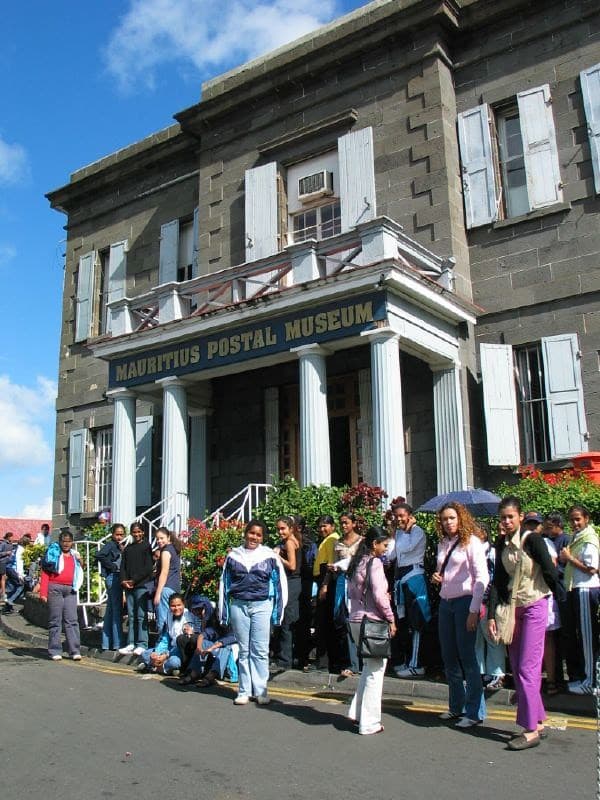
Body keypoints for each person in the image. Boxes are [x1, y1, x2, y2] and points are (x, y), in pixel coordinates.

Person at [488, 496, 559, 750]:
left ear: (519, 517)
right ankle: (538, 720)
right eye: (503, 517)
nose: (506, 522)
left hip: (535, 606)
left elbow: (551, 574)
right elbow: (497, 581)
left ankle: (530, 730)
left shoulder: (533, 541)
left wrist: (561, 601)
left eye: (510, 517)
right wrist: (491, 617)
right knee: (518, 667)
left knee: (528, 669)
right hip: (512, 609)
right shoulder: (501, 543)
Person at [432, 501, 488, 729]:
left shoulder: (472, 542)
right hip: (446, 602)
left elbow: (482, 578)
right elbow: (447, 572)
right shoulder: (443, 543)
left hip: (465, 602)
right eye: (445, 519)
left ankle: (474, 712)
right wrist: (438, 579)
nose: (448, 522)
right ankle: (457, 706)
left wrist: (474, 610)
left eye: (452, 518)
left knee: (467, 657)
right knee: (449, 656)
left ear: (460, 518)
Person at [219, 519, 287, 705]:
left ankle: (261, 691)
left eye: (258, 535)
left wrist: (277, 613)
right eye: (251, 533)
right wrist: (223, 613)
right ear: (245, 533)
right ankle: (244, 691)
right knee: (244, 650)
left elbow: (280, 585)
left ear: (262, 537)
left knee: (260, 650)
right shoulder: (233, 556)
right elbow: (224, 585)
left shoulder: (270, 556)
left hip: (262, 606)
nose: (254, 537)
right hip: (238, 606)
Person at [346, 525, 396, 735]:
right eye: (384, 545)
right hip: (372, 622)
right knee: (375, 672)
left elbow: (351, 593)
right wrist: (391, 618)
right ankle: (369, 722)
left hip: (356, 620)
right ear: (375, 544)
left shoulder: (357, 562)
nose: (386, 549)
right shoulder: (375, 563)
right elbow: (379, 595)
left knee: (367, 669)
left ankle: (358, 714)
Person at [386, 502, 429, 678]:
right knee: (404, 623)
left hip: (414, 577)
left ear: (410, 516)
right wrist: (393, 535)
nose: (399, 519)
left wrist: (400, 535)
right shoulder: (399, 533)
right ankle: (406, 660)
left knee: (416, 623)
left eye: (402, 515)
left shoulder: (417, 531)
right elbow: (390, 556)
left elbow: (405, 548)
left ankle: (417, 664)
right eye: (396, 516)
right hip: (401, 580)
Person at [559, 504, 599, 695]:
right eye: (572, 519)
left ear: (586, 519)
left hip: (586, 589)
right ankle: (587, 678)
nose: (575, 523)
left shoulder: (589, 539)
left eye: (578, 519)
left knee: (587, 638)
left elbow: (592, 568)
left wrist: (569, 558)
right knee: (583, 637)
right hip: (577, 589)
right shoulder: (578, 538)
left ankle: (591, 682)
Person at [39, 530, 83, 661]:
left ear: (72, 543)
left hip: (70, 590)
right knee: (55, 620)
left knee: (72, 620)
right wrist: (43, 592)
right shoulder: (53, 555)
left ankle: (74, 650)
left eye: (69, 541)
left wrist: (81, 561)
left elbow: (79, 571)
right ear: (59, 542)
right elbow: (45, 573)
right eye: (64, 541)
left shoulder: (75, 556)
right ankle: (54, 650)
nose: (66, 544)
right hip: (55, 588)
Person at [330, 511, 363, 677]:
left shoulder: (362, 541)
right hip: (342, 581)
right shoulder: (338, 543)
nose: (344, 526)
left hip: (357, 581)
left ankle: (358, 663)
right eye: (341, 523)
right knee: (343, 620)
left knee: (356, 620)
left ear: (354, 524)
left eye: (346, 523)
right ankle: (349, 662)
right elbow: (335, 561)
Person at [178, 594, 237, 686]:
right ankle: (194, 673)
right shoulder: (210, 618)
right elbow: (203, 635)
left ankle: (212, 675)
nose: (198, 612)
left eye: (200, 609)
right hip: (216, 643)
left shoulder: (230, 618)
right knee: (203, 642)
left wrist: (213, 647)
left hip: (231, 644)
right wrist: (199, 648)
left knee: (224, 648)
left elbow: (232, 637)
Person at [136, 593, 194, 676]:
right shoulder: (169, 614)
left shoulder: (188, 617)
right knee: (145, 654)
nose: (176, 608)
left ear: (183, 604)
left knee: (174, 662)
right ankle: (163, 667)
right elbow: (165, 638)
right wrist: (157, 653)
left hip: (179, 651)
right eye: (173, 606)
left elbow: (183, 645)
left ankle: (155, 667)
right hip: (169, 648)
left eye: (179, 605)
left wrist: (166, 655)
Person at [119, 523, 154, 656]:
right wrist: (124, 581)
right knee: (131, 615)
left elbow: (148, 568)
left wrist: (135, 580)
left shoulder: (146, 546)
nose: (137, 534)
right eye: (134, 532)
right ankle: (131, 643)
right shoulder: (128, 548)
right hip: (129, 586)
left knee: (140, 615)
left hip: (141, 585)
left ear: (143, 532)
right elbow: (123, 566)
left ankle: (142, 643)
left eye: (139, 531)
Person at [271, 515, 302, 670]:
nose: (280, 532)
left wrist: (277, 556)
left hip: (291, 582)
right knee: (287, 619)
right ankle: (287, 657)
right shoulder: (290, 541)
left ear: (291, 528)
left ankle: (285, 660)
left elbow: (292, 565)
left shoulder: (290, 542)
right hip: (291, 583)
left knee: (286, 621)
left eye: (283, 528)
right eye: (278, 529)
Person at [312, 515, 340, 672]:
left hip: (326, 581)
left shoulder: (332, 540)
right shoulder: (327, 540)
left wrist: (324, 585)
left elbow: (330, 566)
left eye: (325, 526)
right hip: (323, 580)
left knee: (325, 623)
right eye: (320, 526)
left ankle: (325, 663)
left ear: (332, 526)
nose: (322, 529)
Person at [95, 523, 126, 651]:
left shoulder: (119, 546)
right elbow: (99, 555)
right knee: (116, 611)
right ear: (112, 534)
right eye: (117, 534)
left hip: (115, 577)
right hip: (113, 577)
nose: (119, 537)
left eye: (121, 534)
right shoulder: (110, 545)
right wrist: (111, 566)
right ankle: (117, 643)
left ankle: (107, 643)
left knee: (110, 611)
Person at [153, 527, 182, 633]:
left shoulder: (165, 551)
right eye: (157, 539)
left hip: (166, 589)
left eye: (162, 538)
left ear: (168, 537)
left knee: (163, 620)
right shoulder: (174, 549)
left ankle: (162, 644)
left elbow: (164, 572)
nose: (159, 541)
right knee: (171, 621)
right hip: (174, 588)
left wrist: (158, 593)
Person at [3, 534, 32, 613]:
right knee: (21, 585)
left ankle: (8, 608)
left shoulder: (15, 547)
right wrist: (21, 575)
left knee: (12, 586)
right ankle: (10, 600)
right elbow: (19, 563)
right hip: (13, 569)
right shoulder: (21, 550)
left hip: (8, 568)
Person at [0, 532, 15, 601]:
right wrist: (6, 553)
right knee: (3, 578)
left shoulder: (11, 544)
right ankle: (3, 593)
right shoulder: (3, 544)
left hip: (8, 563)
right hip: (2, 562)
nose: (12, 538)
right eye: (11, 537)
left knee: (5, 578)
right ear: (8, 537)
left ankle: (3, 592)